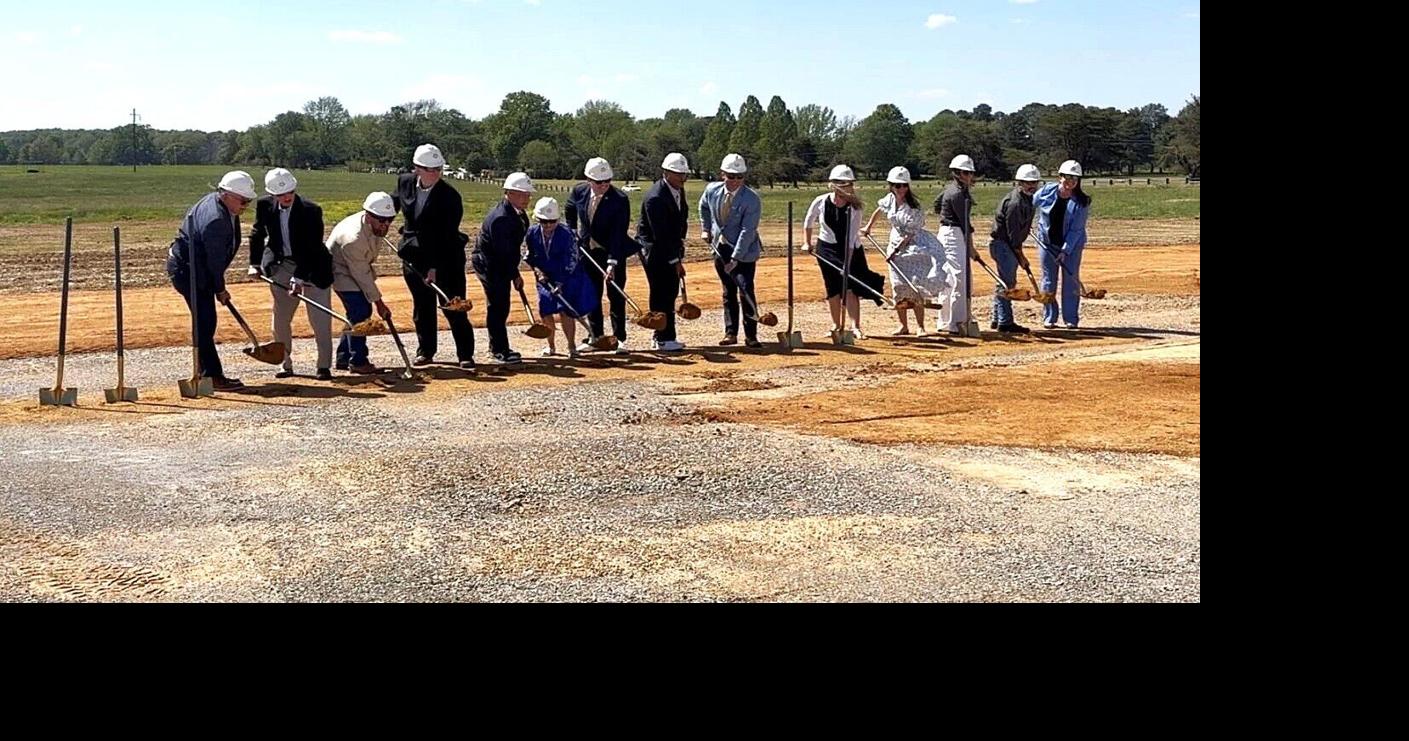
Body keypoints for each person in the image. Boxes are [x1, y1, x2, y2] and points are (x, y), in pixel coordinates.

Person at [165, 170, 254, 390]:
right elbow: (214, 262)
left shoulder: (217, 203)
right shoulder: (216, 221)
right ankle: (211, 375)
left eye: (248, 202)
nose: (245, 206)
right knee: (205, 321)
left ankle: (203, 371)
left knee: (204, 320)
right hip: (190, 271)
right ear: (226, 195)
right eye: (243, 201)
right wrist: (219, 289)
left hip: (194, 268)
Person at [393, 143, 475, 370]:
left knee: (453, 306)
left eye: (438, 168)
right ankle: (426, 351)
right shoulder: (405, 182)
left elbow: (448, 237)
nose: (435, 173)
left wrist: (435, 268)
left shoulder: (450, 197)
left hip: (447, 259)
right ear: (417, 168)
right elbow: (393, 203)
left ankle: (465, 354)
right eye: (430, 169)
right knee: (422, 306)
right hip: (414, 254)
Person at [248, 167, 332, 379]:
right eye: (280, 195)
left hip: (313, 267)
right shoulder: (264, 206)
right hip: (281, 265)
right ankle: (285, 363)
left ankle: (323, 366)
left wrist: (300, 277)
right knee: (281, 318)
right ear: (271, 194)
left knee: (320, 319)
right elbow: (258, 233)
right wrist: (255, 264)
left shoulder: (311, 210)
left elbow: (311, 247)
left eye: (290, 193)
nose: (286, 197)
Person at [860, 165, 945, 336]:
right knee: (899, 287)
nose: (901, 189)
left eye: (904, 185)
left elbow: (910, 234)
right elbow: (879, 210)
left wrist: (896, 250)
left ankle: (921, 327)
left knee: (915, 287)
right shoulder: (889, 199)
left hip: (914, 246)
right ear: (891, 185)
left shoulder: (914, 207)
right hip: (895, 244)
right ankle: (903, 326)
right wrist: (868, 227)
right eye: (897, 185)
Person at [802, 165, 884, 339]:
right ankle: (835, 325)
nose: (843, 188)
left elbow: (850, 237)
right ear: (832, 184)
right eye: (839, 183)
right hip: (826, 248)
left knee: (850, 288)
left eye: (846, 184)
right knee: (832, 287)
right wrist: (807, 243)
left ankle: (855, 326)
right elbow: (808, 221)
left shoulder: (855, 208)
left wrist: (847, 264)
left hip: (850, 249)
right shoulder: (821, 201)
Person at [564, 157, 632, 354]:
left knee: (615, 294)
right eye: (599, 182)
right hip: (588, 250)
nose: (604, 185)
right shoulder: (579, 191)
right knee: (592, 294)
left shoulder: (620, 199)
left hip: (613, 251)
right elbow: (570, 208)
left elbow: (619, 233)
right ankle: (596, 337)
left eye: (607, 181)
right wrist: (572, 230)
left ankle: (619, 339)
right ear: (588, 180)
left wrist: (612, 262)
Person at [698, 153, 763, 348]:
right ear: (722, 175)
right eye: (731, 176)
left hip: (744, 251)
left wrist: (736, 258)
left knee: (745, 289)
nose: (735, 181)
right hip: (720, 247)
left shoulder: (752, 199)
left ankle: (751, 335)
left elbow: (747, 230)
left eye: (740, 177)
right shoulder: (712, 190)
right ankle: (730, 333)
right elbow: (703, 207)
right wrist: (706, 228)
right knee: (728, 291)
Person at [328, 192, 397, 373]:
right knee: (361, 311)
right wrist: (380, 303)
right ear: (368, 216)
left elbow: (364, 269)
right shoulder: (353, 239)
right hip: (340, 271)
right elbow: (362, 276)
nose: (386, 224)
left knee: (355, 312)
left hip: (356, 267)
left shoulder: (374, 226)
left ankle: (344, 358)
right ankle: (358, 361)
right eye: (382, 220)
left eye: (390, 219)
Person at [472, 172, 534, 365]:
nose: (527, 198)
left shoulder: (517, 213)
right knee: (498, 306)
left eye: (528, 194)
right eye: (522, 194)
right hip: (490, 264)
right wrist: (514, 275)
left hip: (501, 263)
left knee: (501, 306)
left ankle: (499, 347)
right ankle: (499, 350)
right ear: (509, 193)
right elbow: (502, 252)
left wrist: (513, 272)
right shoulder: (501, 218)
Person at [632, 152, 691, 352]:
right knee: (662, 291)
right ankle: (662, 337)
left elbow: (680, 219)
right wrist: (676, 261)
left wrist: (679, 247)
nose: (683, 178)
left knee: (670, 290)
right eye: (678, 174)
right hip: (655, 250)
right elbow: (661, 234)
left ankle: (664, 335)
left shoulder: (677, 189)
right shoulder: (655, 198)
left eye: (684, 174)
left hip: (669, 246)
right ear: (666, 173)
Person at [525, 197, 595, 358]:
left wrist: (561, 282)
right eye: (544, 222)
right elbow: (529, 256)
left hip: (566, 276)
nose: (548, 225)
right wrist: (537, 270)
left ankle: (571, 347)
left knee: (566, 311)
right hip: (544, 277)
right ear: (537, 219)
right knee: (546, 310)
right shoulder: (532, 233)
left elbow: (572, 260)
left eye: (552, 221)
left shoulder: (567, 234)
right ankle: (551, 346)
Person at [1034, 159, 1092, 329]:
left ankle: (1071, 319)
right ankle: (1050, 316)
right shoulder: (1046, 192)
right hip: (1047, 243)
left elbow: (1076, 230)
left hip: (1072, 246)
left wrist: (1065, 251)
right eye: (1067, 177)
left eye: (1074, 179)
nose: (1070, 182)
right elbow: (1028, 205)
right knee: (1048, 280)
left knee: (1071, 279)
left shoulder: (1082, 201)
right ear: (1060, 177)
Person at [987, 164, 1041, 334]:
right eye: (1027, 182)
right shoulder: (1015, 203)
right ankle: (1005, 322)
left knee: (1003, 281)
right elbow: (1013, 236)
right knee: (1007, 284)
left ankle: (997, 319)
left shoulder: (1028, 200)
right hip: (1004, 245)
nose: (1031, 186)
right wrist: (1021, 256)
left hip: (1007, 245)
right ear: (1020, 183)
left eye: (1034, 182)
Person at [933, 154, 979, 335]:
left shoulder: (951, 189)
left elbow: (937, 204)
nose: (969, 176)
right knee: (960, 279)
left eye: (970, 173)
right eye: (966, 173)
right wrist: (971, 248)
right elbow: (965, 223)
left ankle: (946, 321)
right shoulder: (959, 194)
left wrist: (945, 214)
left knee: (950, 279)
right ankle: (957, 322)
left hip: (948, 232)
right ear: (958, 174)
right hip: (954, 234)